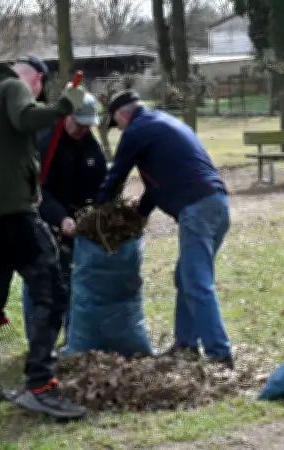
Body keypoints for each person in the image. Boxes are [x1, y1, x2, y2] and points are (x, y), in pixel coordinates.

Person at [0, 55, 89, 419]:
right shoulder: (15, 87)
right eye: (40, 90)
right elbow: (27, 118)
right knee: (52, 288)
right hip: (13, 214)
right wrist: (67, 104)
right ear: (35, 80)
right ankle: (41, 385)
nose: (35, 95)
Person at [94, 89, 234, 368]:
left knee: (196, 282)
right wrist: (139, 216)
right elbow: (157, 186)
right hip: (217, 204)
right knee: (186, 278)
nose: (119, 129)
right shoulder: (163, 123)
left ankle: (219, 353)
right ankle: (186, 346)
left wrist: (97, 211)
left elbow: (117, 174)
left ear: (123, 115)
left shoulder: (136, 130)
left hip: (197, 208)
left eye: (117, 123)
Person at [21, 93, 108, 350]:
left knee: (74, 281)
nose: (83, 130)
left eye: (87, 126)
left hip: (77, 225)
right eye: (79, 124)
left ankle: (73, 339)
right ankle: (39, 342)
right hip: (46, 220)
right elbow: (40, 191)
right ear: (67, 116)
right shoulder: (46, 142)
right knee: (41, 282)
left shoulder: (91, 147)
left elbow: (101, 181)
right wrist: (61, 218)